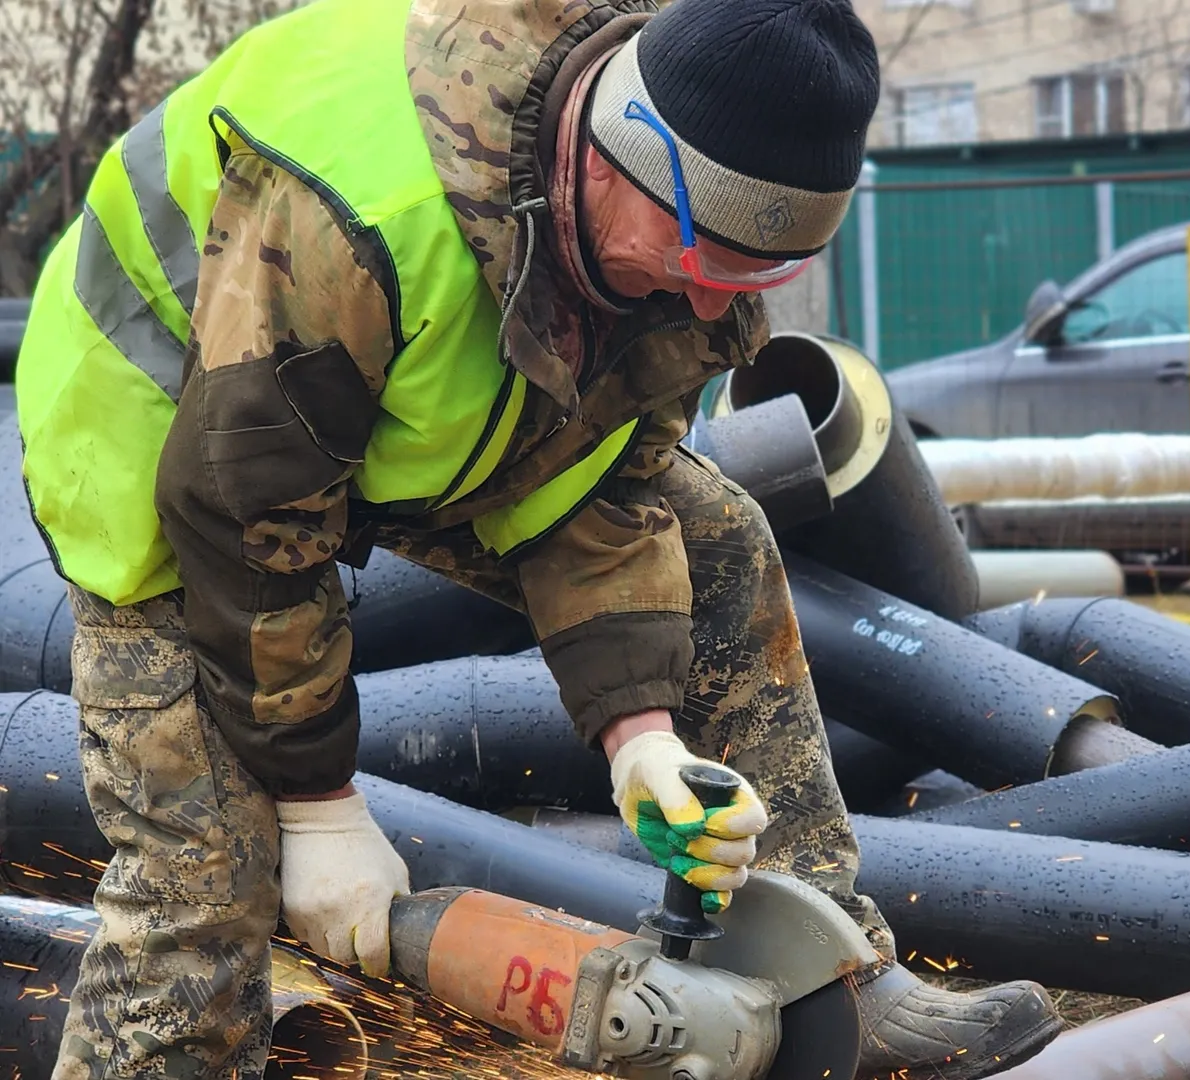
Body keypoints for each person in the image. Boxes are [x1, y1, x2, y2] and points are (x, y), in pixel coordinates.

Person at [12, 0, 1063, 1076]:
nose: (709, 297)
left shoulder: (681, 241)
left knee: (718, 549)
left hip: (391, 399)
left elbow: (607, 488)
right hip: (174, 430)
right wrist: (318, 806)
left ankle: (831, 978)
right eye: (704, 254)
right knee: (206, 892)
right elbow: (247, 517)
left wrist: (640, 736)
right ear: (621, 154)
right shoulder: (362, 214)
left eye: (757, 277)